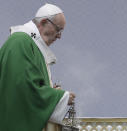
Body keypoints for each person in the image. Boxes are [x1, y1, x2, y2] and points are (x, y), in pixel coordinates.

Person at [0, 3, 75, 131]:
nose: (59, 36)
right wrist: (60, 98)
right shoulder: (20, 42)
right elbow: (21, 88)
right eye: (58, 29)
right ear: (44, 22)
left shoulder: (32, 45)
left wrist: (50, 90)